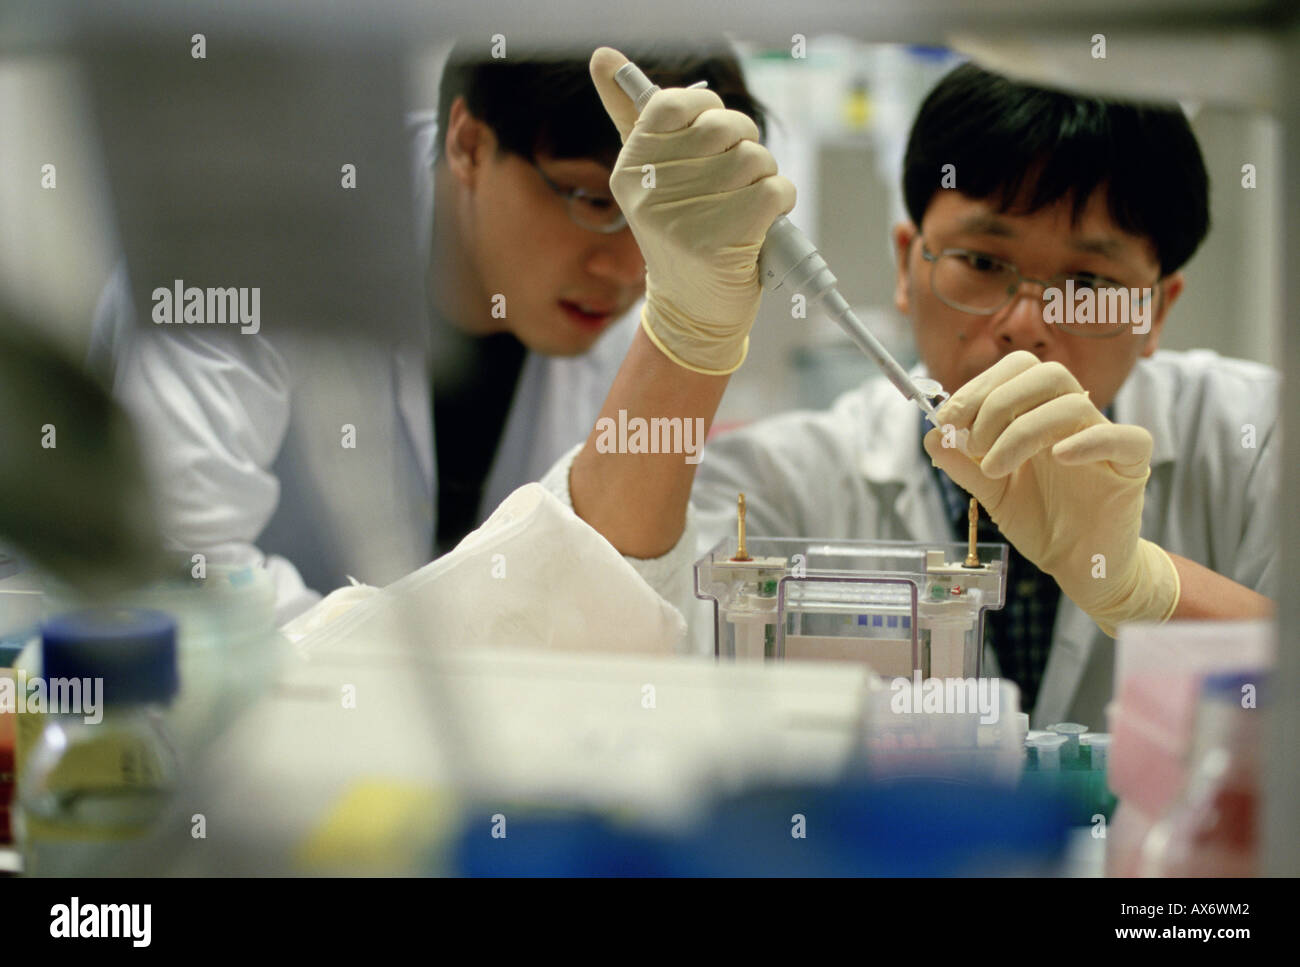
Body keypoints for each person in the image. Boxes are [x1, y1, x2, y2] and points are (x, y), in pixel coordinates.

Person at [543, 52, 1277, 727]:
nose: (1024, 323)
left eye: (1088, 282)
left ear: (1157, 310)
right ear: (906, 264)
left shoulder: (1259, 442)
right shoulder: (787, 484)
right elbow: (578, 631)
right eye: (982, 261)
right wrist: (685, 330)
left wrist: (1146, 588)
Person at [87, 41, 768, 623]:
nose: (625, 270)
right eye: (593, 201)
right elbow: (176, 573)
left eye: (651, 229)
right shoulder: (259, 236)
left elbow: (625, 603)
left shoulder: (628, 315)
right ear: (470, 143)